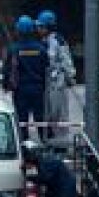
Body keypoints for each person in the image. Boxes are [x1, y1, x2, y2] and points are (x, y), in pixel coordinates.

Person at [3, 15, 50, 139]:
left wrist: (5, 86)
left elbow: (7, 70)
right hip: (38, 89)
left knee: (22, 121)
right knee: (40, 119)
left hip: (21, 90)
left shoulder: (14, 49)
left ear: (18, 31)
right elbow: (47, 69)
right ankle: (45, 143)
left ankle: (23, 146)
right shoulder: (41, 49)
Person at [38, 10, 75, 138]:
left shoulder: (58, 41)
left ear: (48, 27)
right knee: (49, 114)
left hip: (58, 83)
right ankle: (50, 141)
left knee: (60, 114)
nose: (39, 29)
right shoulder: (43, 41)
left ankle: (62, 143)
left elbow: (66, 60)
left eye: (41, 26)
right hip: (47, 84)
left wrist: (70, 77)